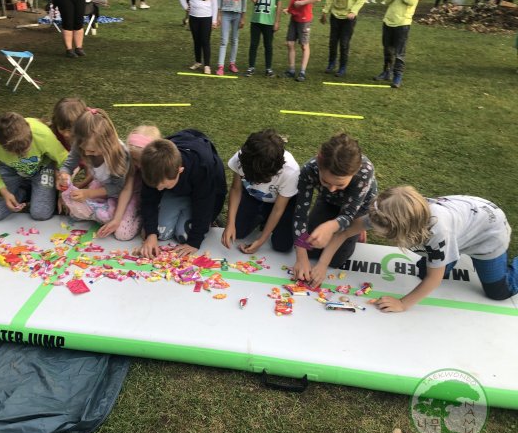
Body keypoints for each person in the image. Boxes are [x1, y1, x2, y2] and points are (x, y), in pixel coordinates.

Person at [312, 186, 518, 311]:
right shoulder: (385, 212)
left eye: (384, 233)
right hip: (466, 219)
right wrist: (322, 264)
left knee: (498, 291)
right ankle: (455, 251)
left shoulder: (437, 234)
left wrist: (403, 304)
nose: (376, 231)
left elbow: (434, 279)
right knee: (424, 271)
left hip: (487, 233)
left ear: (404, 229)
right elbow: (344, 232)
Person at [292, 133, 377, 281]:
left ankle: (358, 228)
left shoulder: (365, 171)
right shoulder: (308, 169)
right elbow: (300, 215)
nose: (332, 189)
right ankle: (338, 223)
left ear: (354, 172)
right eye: (325, 181)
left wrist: (331, 226)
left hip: (359, 206)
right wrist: (301, 257)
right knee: (310, 249)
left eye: (340, 184)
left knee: (336, 261)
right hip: (328, 201)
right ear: (319, 164)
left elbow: (349, 214)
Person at [139, 129, 227, 258]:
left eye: (164, 185)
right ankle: (177, 200)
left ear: (180, 171)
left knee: (184, 236)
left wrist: (194, 242)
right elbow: (148, 199)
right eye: (155, 186)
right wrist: (151, 234)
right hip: (178, 191)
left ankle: (211, 221)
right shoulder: (152, 167)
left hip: (207, 194)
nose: (158, 189)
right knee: (161, 233)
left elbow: (205, 204)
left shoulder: (203, 168)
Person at [57, 108, 141, 240]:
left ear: (106, 145)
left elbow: (118, 188)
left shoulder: (119, 155)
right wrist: (64, 175)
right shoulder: (82, 143)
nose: (86, 154)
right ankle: (102, 211)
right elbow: (68, 166)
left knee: (122, 234)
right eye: (83, 149)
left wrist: (88, 194)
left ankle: (138, 214)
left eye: (92, 151)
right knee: (76, 208)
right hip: (103, 184)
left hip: (126, 191)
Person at [0, 112, 68, 221]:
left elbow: (65, 159)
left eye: (26, 149)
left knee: (41, 213)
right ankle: (26, 192)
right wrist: (4, 193)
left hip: (42, 168)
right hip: (9, 169)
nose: (23, 156)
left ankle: (36, 191)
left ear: (30, 130)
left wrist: (62, 179)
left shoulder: (42, 134)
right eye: (15, 152)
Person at [221, 129, 299, 254]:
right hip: (252, 196)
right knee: (238, 232)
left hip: (279, 202)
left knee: (282, 246)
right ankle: (260, 216)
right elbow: (236, 189)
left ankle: (264, 218)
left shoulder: (291, 172)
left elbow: (278, 208)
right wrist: (230, 223)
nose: (257, 183)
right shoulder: (243, 158)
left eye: (261, 180)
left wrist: (261, 240)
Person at [94, 124, 162, 240]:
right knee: (113, 214)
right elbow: (127, 189)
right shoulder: (130, 163)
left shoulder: (158, 168)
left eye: (142, 161)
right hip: (130, 193)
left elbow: (155, 198)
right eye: (134, 159)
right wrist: (117, 219)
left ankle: (140, 218)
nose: (138, 165)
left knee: (122, 234)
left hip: (144, 199)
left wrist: (149, 226)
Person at [372, 0, 419, 88]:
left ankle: (397, 76)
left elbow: (411, 2)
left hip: (403, 23)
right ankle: (386, 72)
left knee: (399, 52)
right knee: (387, 49)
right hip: (388, 21)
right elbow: (386, 1)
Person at [48, 97, 93, 189]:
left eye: (69, 130)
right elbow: (58, 162)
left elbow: (94, 166)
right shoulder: (53, 132)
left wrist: (81, 185)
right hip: (67, 158)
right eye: (61, 128)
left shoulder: (89, 132)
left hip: (85, 157)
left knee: (90, 166)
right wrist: (61, 176)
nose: (66, 134)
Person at [320, 0, 366, 77]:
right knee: (333, 42)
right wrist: (324, 12)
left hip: (348, 18)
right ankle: (331, 63)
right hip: (335, 16)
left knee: (344, 43)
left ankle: (342, 67)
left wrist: (353, 11)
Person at [283, 0, 320, 82]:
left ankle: (302, 72)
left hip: (304, 19)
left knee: (304, 45)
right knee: (290, 43)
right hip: (294, 17)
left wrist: (302, 2)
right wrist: (289, 9)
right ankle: (291, 70)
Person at [244, 0, 283, 77]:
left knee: (268, 45)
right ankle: (251, 67)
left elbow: (279, 5)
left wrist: (277, 21)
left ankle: (268, 68)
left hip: (269, 21)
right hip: (256, 20)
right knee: (253, 44)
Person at [179, 0, 219, 74]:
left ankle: (207, 66)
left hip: (207, 17)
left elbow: (215, 4)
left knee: (205, 41)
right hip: (193, 17)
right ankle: (198, 62)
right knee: (196, 41)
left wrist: (214, 20)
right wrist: (185, 7)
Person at [215, 0, 247, 76]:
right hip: (225, 13)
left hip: (237, 14)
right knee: (224, 41)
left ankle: (232, 64)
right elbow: (219, 0)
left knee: (234, 40)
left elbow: (244, 1)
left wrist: (243, 17)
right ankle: (220, 66)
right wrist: (218, 15)